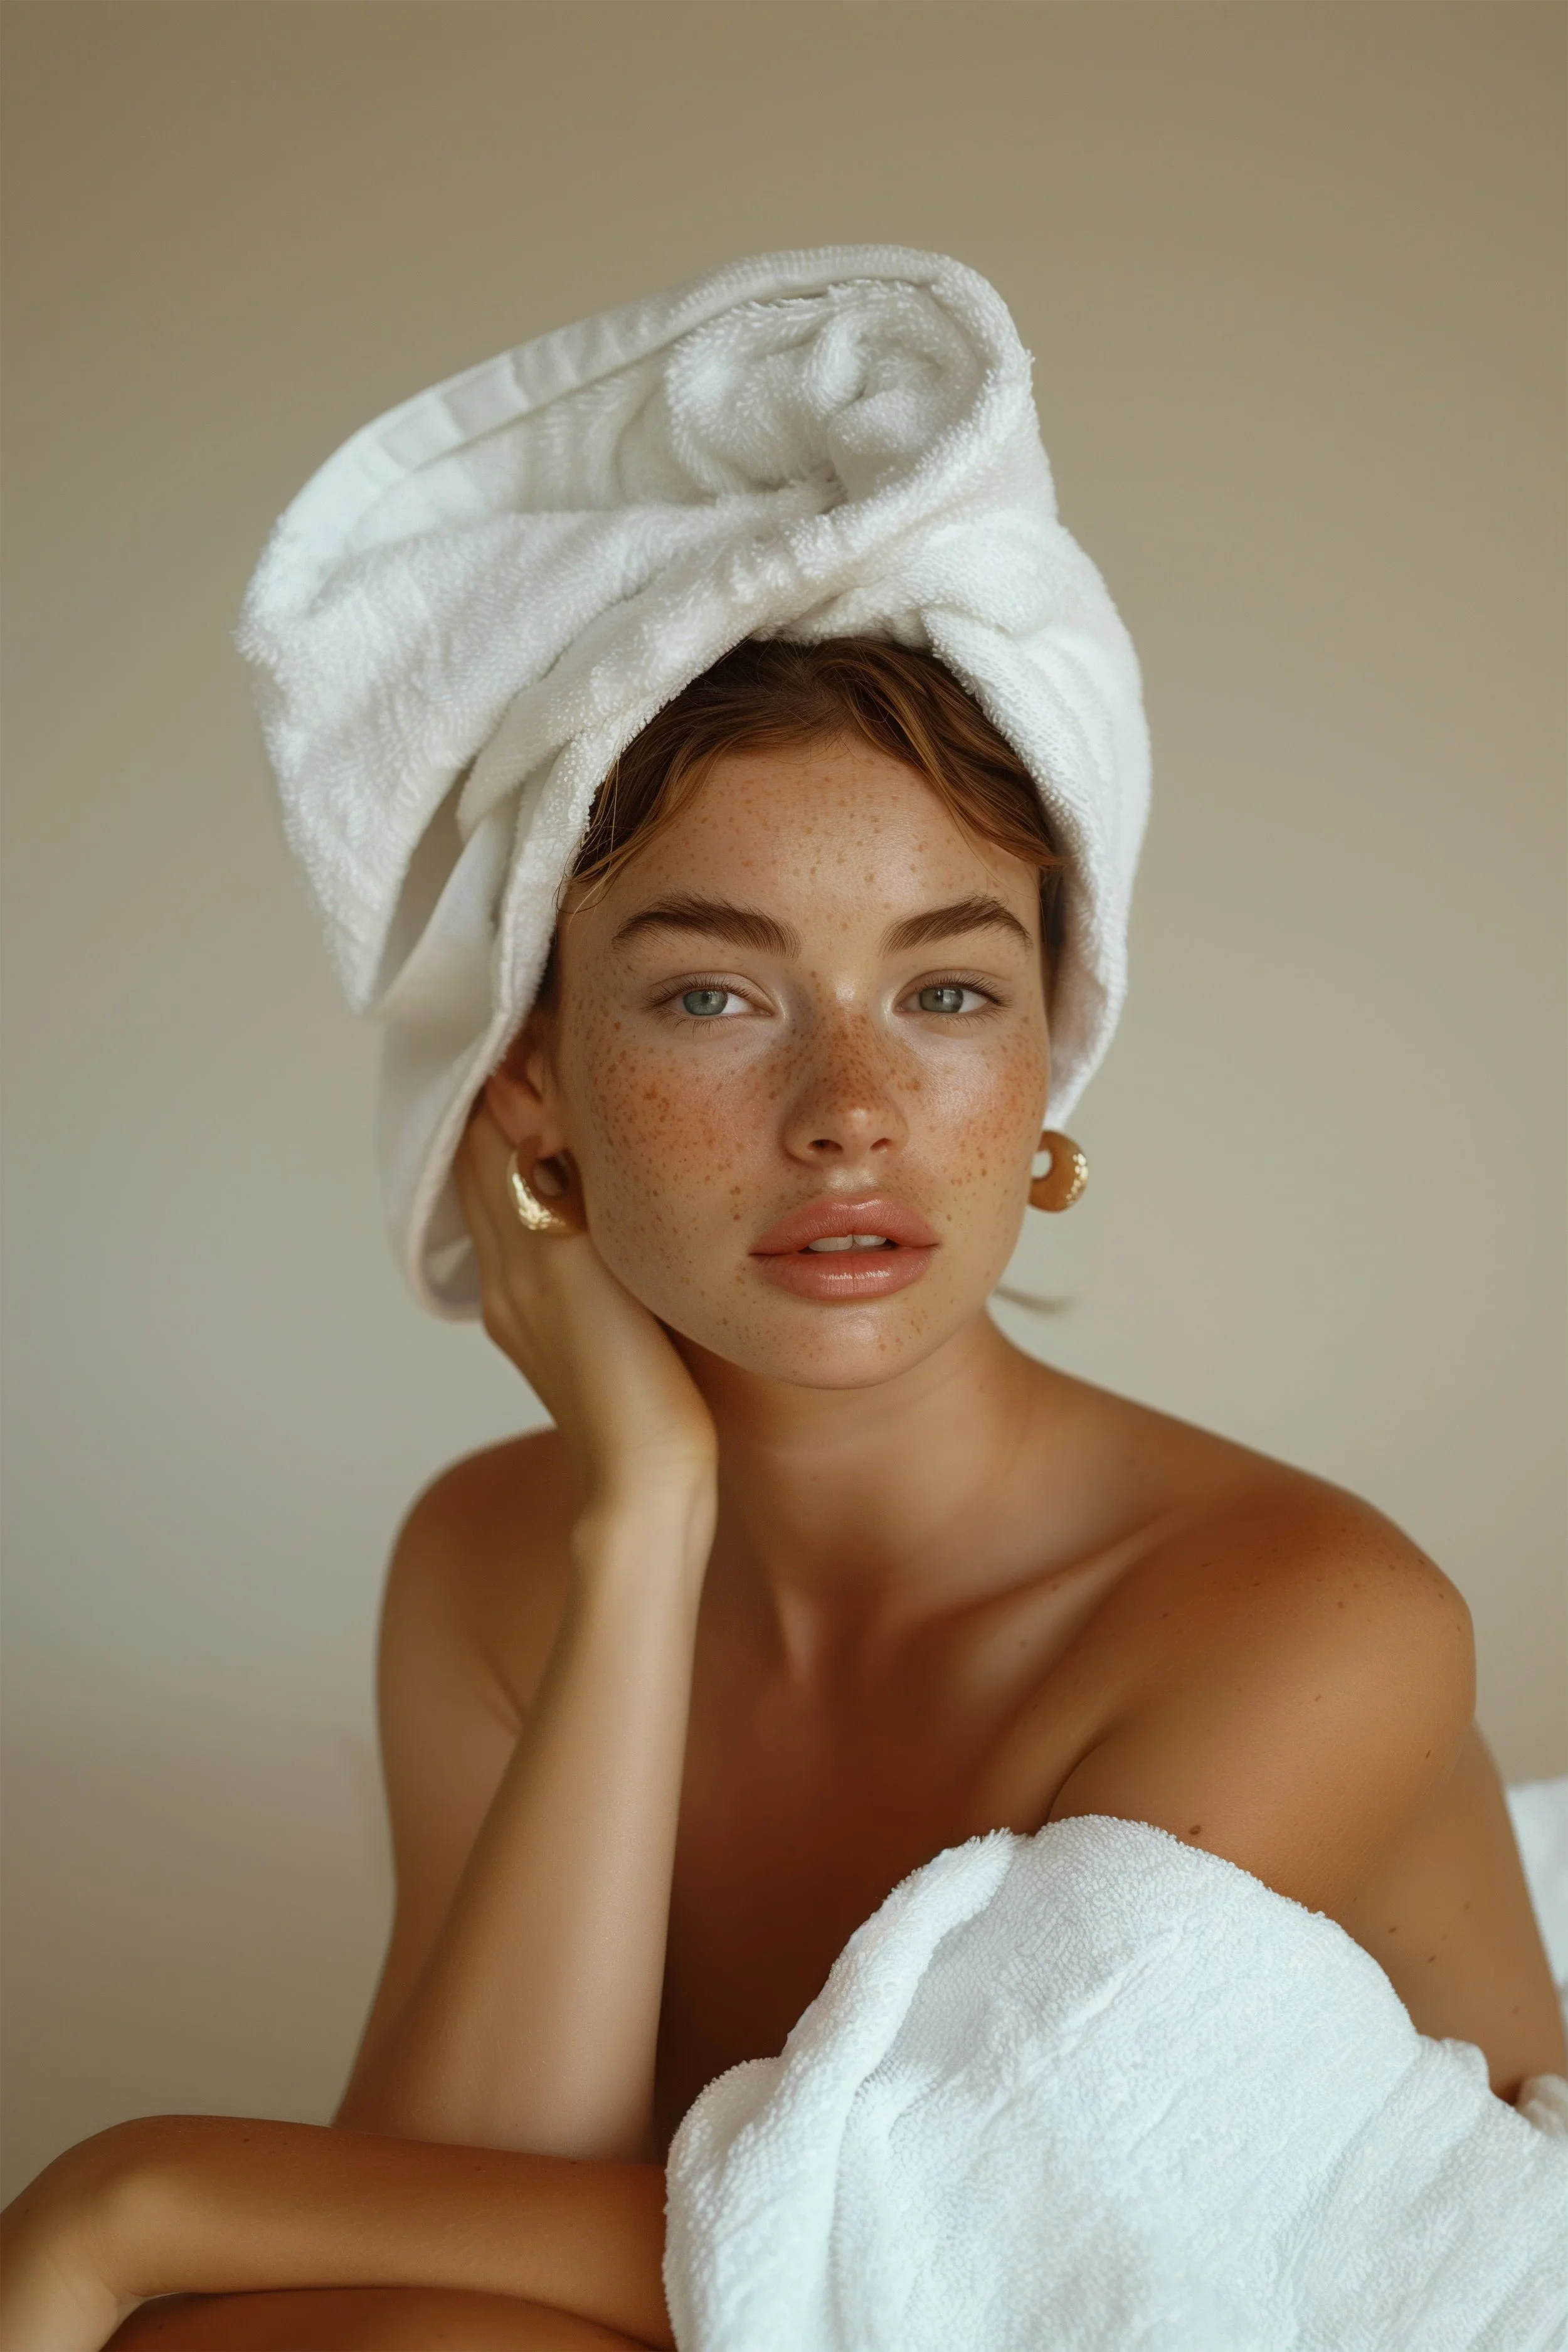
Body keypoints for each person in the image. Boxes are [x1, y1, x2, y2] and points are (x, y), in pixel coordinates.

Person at [2, 638, 1562, 2352]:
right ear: (527, 1084)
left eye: (946, 993)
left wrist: (130, 2195)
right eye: (711, 996)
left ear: (1052, 1056)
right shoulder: (496, 1556)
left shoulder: (1301, 1620)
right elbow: (423, 2247)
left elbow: (928, 2257)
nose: (852, 1114)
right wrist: (642, 1520)